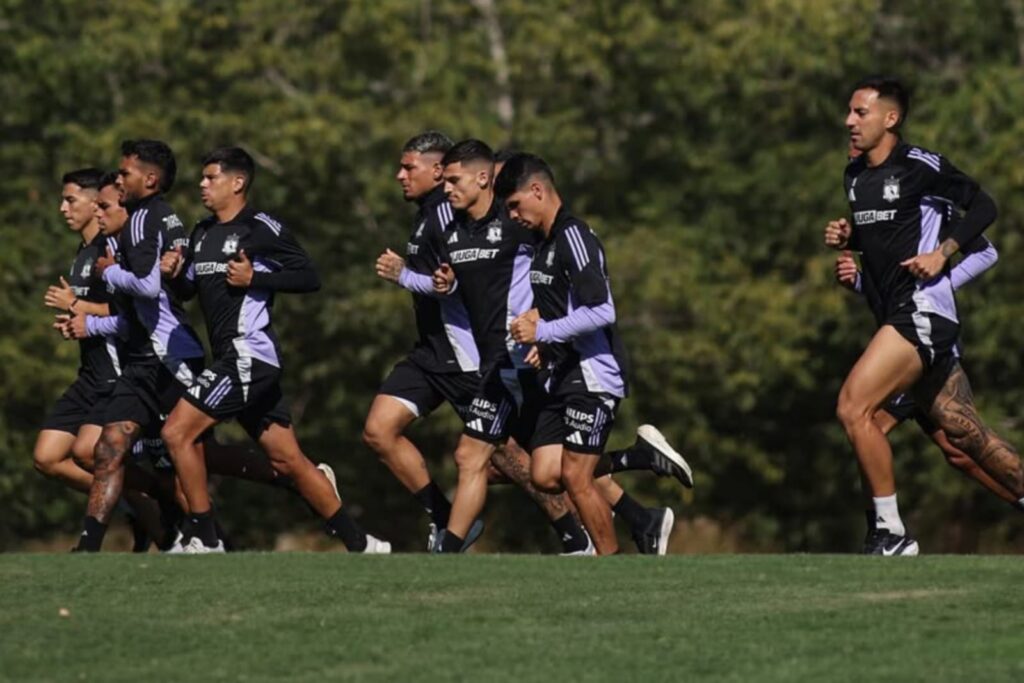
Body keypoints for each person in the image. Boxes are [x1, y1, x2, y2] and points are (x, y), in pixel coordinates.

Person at [825, 76, 1024, 555]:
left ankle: (890, 534)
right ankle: (886, 527)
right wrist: (851, 246)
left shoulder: (920, 168)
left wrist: (944, 255)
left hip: (922, 315)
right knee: (963, 446)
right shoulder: (855, 176)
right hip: (898, 318)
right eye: (850, 112)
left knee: (855, 409)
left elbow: (985, 206)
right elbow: (886, 246)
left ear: (890, 119)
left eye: (860, 112)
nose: (849, 121)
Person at [369, 131, 592, 553]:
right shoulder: (455, 232)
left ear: (483, 179)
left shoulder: (513, 226)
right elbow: (451, 290)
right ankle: (456, 544)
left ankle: (593, 524)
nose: (446, 189)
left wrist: (544, 324)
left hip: (516, 359)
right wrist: (440, 284)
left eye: (453, 181)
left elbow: (555, 271)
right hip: (490, 363)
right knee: (487, 458)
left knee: (529, 461)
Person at [160, 146, 390, 553]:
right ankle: (363, 544)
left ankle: (204, 537)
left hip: (249, 355)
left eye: (210, 177)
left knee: (177, 432)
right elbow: (189, 291)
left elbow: (309, 276)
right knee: (288, 462)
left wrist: (255, 279)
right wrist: (174, 274)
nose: (202, 184)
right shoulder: (201, 233)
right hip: (234, 361)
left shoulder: (260, 227)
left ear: (238, 182)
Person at [74, 140, 208, 552]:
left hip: (172, 357)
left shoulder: (149, 219)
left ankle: (211, 534)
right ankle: (87, 546)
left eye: (106, 206)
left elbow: (151, 289)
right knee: (108, 447)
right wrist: (91, 322)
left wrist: (111, 275)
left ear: (148, 180)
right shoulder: (124, 235)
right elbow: (131, 316)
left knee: (189, 454)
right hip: (139, 362)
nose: (99, 212)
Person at [499, 152, 633, 554]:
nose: (512, 216)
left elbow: (602, 309)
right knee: (544, 474)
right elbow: (562, 310)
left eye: (514, 205)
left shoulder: (574, 236)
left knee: (576, 475)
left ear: (537, 190)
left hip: (594, 371)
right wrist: (544, 342)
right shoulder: (541, 244)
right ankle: (634, 459)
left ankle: (612, 568)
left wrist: (545, 330)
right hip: (563, 371)